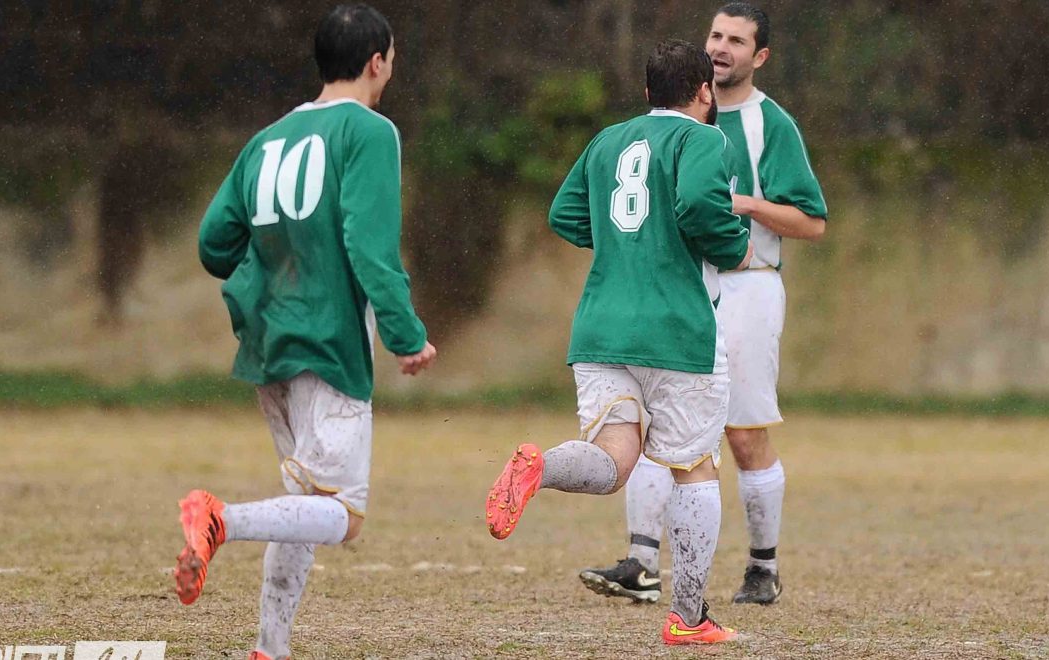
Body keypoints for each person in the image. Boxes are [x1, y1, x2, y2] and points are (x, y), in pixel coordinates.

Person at [177, 5, 436, 659]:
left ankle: (270, 648)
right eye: (392, 57)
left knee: (303, 497)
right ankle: (220, 519)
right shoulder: (369, 131)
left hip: (269, 341)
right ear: (376, 61)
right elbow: (370, 246)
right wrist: (406, 335)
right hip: (328, 342)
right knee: (343, 515)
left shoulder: (268, 138)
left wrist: (272, 271)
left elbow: (213, 244)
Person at [485, 39, 753, 646]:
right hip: (676, 329)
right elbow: (698, 205)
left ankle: (541, 467)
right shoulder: (704, 137)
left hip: (601, 327)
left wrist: (623, 243)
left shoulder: (608, 140)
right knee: (695, 467)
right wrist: (734, 246)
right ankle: (688, 618)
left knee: (613, 461)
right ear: (703, 92)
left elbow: (564, 214)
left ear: (647, 92)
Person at [579, 2, 828, 607]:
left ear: (760, 56)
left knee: (742, 433)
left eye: (737, 41)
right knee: (653, 419)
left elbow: (813, 222)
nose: (721, 47)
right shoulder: (671, 123)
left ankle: (763, 566)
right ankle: (641, 562)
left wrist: (744, 205)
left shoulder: (771, 125)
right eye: (716, 35)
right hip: (676, 283)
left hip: (747, 283)